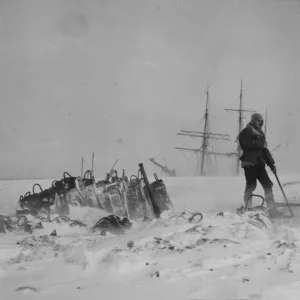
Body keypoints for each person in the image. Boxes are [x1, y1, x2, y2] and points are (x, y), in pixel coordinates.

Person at [238, 113, 283, 218]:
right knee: (251, 185)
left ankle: (271, 208)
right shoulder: (246, 132)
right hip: (249, 164)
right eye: (259, 121)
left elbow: (264, 150)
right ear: (254, 120)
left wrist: (271, 164)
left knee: (268, 184)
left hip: (259, 164)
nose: (260, 123)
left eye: (261, 122)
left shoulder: (259, 134)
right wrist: (258, 141)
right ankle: (248, 207)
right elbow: (248, 145)